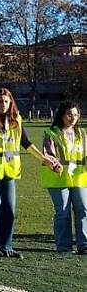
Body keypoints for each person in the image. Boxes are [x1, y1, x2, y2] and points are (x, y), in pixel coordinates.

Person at [0, 88, 61, 259]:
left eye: (6, 101)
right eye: (0, 101)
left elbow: (26, 143)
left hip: (9, 171)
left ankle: (5, 246)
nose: (3, 105)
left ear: (11, 102)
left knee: (9, 208)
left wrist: (45, 160)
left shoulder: (16, 121)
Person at [41, 101, 86, 254]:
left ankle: (84, 244)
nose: (72, 118)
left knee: (83, 209)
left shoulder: (82, 134)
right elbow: (48, 152)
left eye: (75, 115)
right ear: (61, 115)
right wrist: (55, 164)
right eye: (69, 114)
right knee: (63, 212)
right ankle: (64, 246)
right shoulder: (52, 133)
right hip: (58, 178)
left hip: (79, 178)